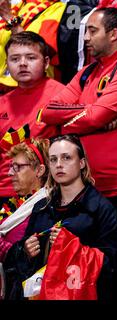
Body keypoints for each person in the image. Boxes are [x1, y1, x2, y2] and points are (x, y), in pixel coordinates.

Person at [38, 7, 117, 296]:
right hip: (90, 190)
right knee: (91, 274)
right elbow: (48, 111)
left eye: (92, 31)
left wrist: (90, 119)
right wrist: (93, 118)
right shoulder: (88, 72)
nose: (85, 37)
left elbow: (93, 117)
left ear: (113, 34)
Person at [3, 134, 117, 300]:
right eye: (53, 160)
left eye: (66, 158)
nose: (59, 165)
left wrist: (71, 249)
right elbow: (18, 267)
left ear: (82, 163)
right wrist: (25, 250)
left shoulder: (100, 208)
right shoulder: (42, 207)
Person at [0, 31, 62, 207]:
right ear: (7, 64)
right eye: (15, 59)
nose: (22, 64)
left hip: (43, 193)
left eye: (30, 57)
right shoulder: (2, 102)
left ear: (46, 62)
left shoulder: (62, 95)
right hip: (4, 192)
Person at [0, 139, 49, 263]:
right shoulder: (15, 204)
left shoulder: (44, 208)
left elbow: (26, 256)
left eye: (18, 167)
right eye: (11, 167)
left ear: (39, 170)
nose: (10, 173)